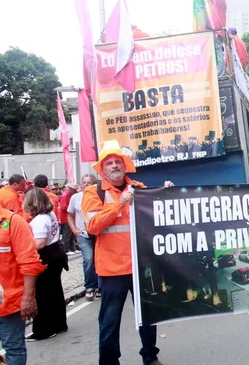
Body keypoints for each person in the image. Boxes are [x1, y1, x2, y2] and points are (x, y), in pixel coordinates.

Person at [82, 140, 173, 365]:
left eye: (117, 161)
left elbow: (160, 210)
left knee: (148, 317)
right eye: (109, 163)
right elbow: (92, 226)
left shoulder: (139, 189)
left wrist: (169, 192)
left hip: (141, 267)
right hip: (112, 269)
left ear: (125, 165)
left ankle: (150, 357)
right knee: (110, 321)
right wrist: (119, 204)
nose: (114, 165)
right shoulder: (94, 194)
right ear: (102, 170)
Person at [0, 207, 46, 365]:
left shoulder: (13, 222)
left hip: (9, 304)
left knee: (13, 348)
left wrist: (28, 297)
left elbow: (29, 263)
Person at [22, 188, 68, 341]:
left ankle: (44, 329)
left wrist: (23, 248)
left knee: (42, 294)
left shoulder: (39, 220)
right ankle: (59, 324)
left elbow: (40, 243)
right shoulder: (50, 214)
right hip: (55, 252)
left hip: (46, 255)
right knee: (54, 291)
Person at [68, 174, 99, 301]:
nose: (86, 185)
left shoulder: (99, 196)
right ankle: (89, 287)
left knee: (98, 259)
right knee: (89, 258)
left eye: (89, 183)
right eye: (84, 182)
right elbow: (69, 215)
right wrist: (74, 230)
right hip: (82, 234)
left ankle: (98, 286)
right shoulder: (75, 198)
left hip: (97, 233)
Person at [60, 183, 79, 254]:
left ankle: (72, 248)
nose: (75, 191)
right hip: (66, 218)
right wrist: (72, 207)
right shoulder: (65, 196)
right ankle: (66, 249)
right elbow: (63, 207)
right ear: (70, 189)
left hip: (71, 217)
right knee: (67, 234)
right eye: (74, 190)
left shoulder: (70, 196)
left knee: (72, 234)